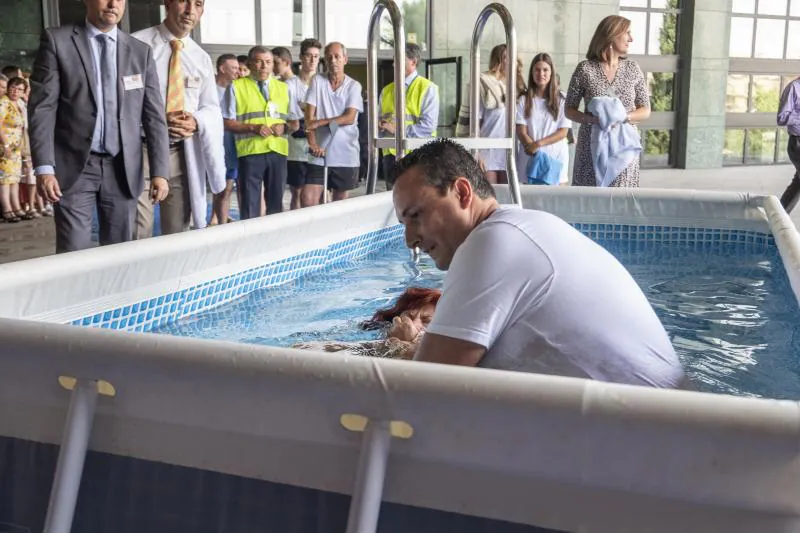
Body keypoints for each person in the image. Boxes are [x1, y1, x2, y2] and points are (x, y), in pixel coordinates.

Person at [389, 138, 686, 388]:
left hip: (655, 437)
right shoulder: (528, 227)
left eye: (416, 215)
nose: (409, 238)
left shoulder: (491, 243)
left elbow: (425, 388)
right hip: (672, 425)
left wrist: (401, 349)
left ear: (463, 192)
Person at [29, 0, 170, 253]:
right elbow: (42, 109)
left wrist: (160, 171)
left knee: (119, 255)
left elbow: (154, 116)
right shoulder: (58, 41)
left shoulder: (140, 52)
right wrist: (44, 167)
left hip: (123, 168)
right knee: (74, 252)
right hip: (73, 168)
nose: (113, 3)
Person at [132, 0, 226, 238]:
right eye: (184, 1)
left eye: (198, 4)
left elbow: (211, 109)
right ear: (167, 3)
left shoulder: (200, 57)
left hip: (181, 154)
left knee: (178, 234)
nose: (190, 11)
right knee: (136, 233)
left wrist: (196, 121)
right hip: (139, 150)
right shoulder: (135, 45)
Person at [565, 15, 651, 188]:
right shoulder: (585, 69)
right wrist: (590, 120)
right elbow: (569, 109)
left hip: (624, 147)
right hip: (590, 146)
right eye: (627, 33)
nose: (631, 38)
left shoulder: (633, 69)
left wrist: (623, 116)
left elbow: (646, 109)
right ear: (612, 35)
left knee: (619, 201)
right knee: (589, 200)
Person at [223, 46, 289, 219]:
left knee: (276, 206)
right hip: (250, 153)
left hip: (278, 152)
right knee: (250, 206)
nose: (264, 66)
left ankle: (276, 241)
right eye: (259, 62)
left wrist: (285, 127)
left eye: (268, 62)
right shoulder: (236, 87)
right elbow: (226, 122)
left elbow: (295, 122)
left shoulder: (283, 88)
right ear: (250, 64)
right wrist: (252, 127)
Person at [295, 287, 441, 359]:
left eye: (427, 321)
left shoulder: (437, 350)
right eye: (408, 316)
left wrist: (401, 344)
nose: (413, 324)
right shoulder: (372, 329)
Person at [456, 44, 526, 184]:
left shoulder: (516, 86)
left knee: (509, 197)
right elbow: (475, 122)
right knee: (490, 196)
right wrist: (476, 153)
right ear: (497, 60)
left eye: (514, 57)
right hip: (487, 153)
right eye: (507, 57)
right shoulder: (483, 84)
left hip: (509, 153)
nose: (512, 61)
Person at [304, 42, 363, 206]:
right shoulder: (317, 81)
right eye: (329, 57)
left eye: (337, 56)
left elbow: (349, 117)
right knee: (308, 199)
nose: (333, 60)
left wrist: (320, 122)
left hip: (345, 153)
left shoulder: (354, 86)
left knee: (339, 203)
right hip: (319, 153)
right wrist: (313, 144)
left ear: (345, 59)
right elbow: (309, 119)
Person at [378, 42, 439, 190]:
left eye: (398, 59)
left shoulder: (428, 88)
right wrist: (379, 125)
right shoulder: (386, 90)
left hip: (419, 154)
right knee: (392, 202)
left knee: (417, 201)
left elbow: (428, 126)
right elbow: (380, 121)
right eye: (394, 59)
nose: (394, 64)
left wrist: (398, 130)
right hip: (390, 155)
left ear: (413, 61)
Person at [516, 53, 572, 185]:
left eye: (545, 70)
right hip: (530, 158)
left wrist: (537, 145)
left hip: (555, 160)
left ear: (551, 72)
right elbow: (521, 131)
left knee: (555, 202)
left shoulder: (562, 99)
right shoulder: (524, 100)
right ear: (532, 73)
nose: (541, 73)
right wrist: (535, 152)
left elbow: (562, 132)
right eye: (537, 69)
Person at [273, 43, 317, 210]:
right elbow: (285, 115)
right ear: (301, 57)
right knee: (297, 191)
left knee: (319, 191)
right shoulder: (288, 85)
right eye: (308, 55)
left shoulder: (323, 83)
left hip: (317, 144)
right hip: (295, 146)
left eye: (316, 56)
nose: (312, 60)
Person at [211, 53, 240, 225]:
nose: (238, 72)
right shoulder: (207, 89)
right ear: (222, 68)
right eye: (234, 68)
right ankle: (212, 218)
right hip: (212, 144)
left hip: (230, 144)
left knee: (227, 186)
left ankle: (221, 219)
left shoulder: (235, 89)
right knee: (216, 183)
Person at [0, 78, 34, 222]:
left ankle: (16, 207)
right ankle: (7, 209)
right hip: (4, 146)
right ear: (8, 88)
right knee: (4, 180)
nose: (15, 91)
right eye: (13, 88)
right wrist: (6, 145)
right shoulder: (3, 102)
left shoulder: (18, 104)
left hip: (16, 147)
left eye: (20, 89)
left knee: (14, 179)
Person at [778, 76, 800, 212]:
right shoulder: (794, 88)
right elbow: (782, 117)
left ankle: (777, 217)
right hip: (798, 143)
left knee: (798, 184)